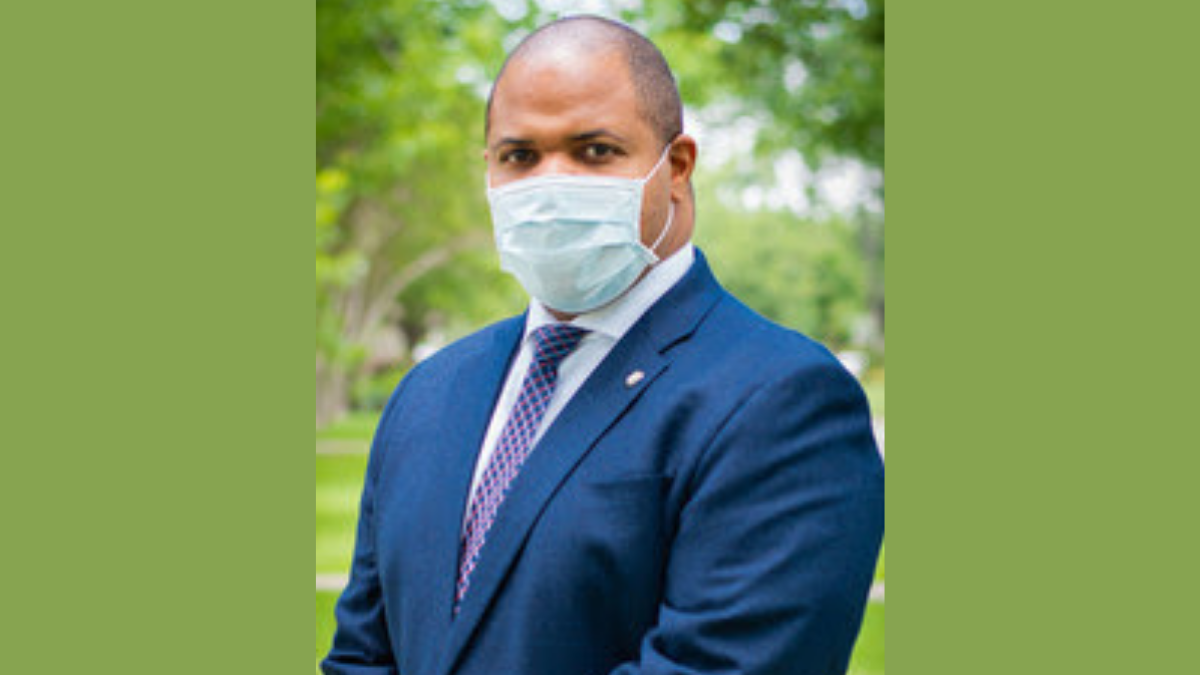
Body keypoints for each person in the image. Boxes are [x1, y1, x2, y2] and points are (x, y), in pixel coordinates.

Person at [323, 15, 884, 675]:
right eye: (519, 156)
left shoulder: (783, 400)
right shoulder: (429, 391)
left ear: (677, 167)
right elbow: (362, 654)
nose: (550, 183)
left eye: (595, 151)